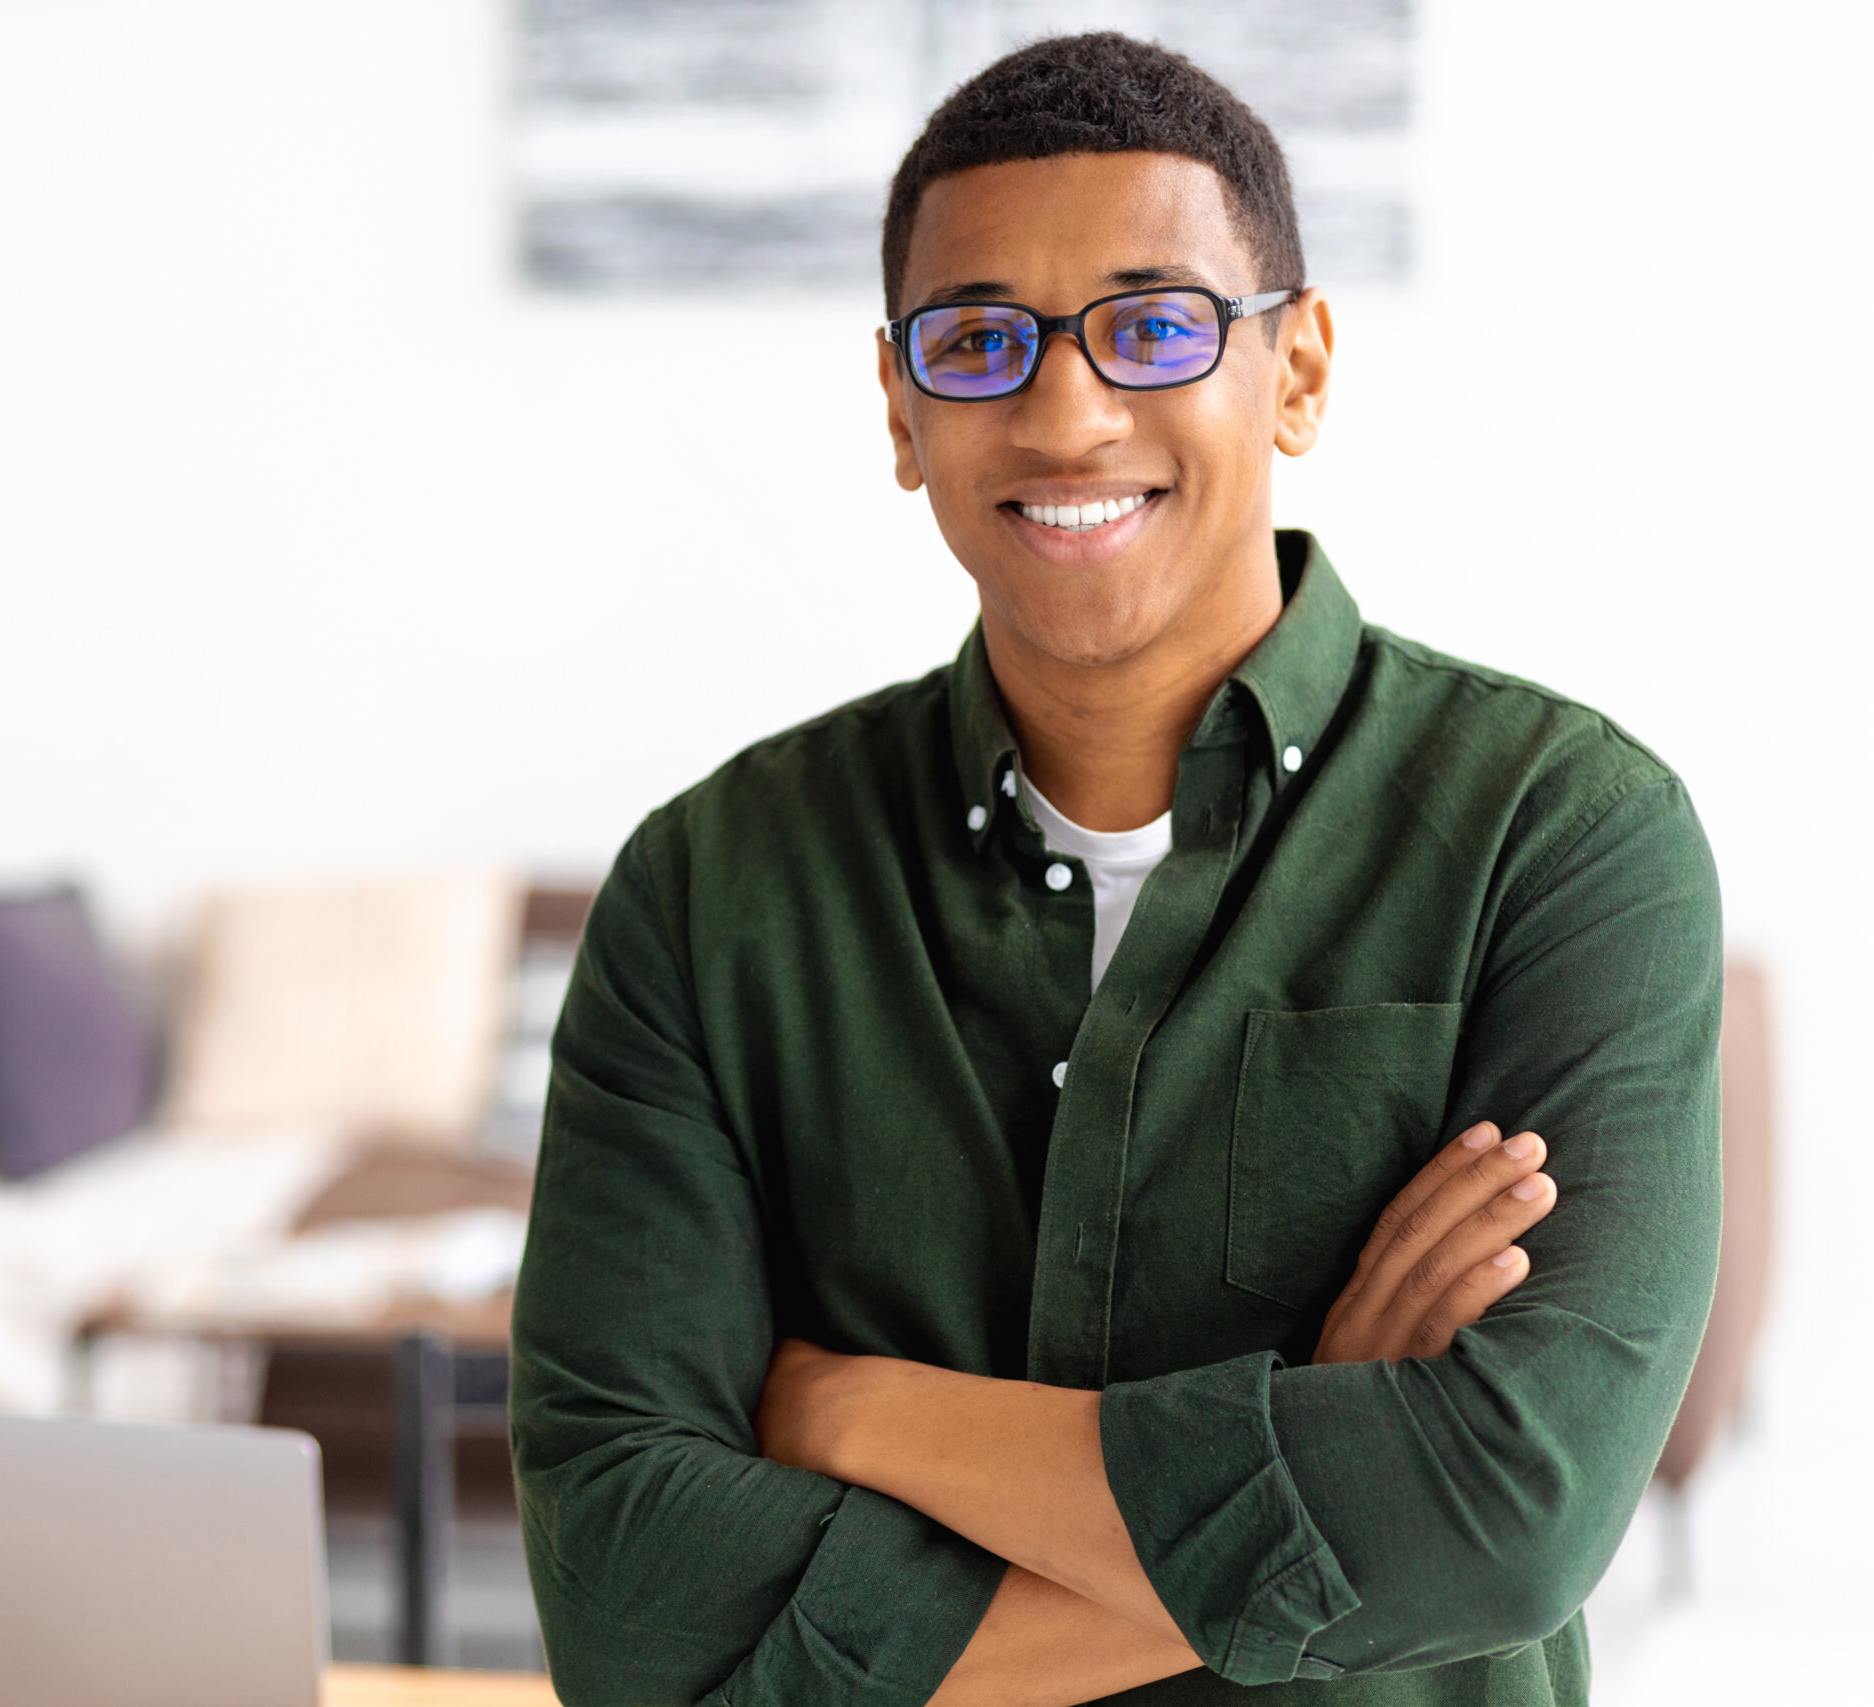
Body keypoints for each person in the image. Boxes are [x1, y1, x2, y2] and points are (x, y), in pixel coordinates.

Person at [509, 31, 1720, 1707]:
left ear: (1294, 370)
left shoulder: (1562, 833)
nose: (1066, 412)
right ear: (902, 408)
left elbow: (1506, 1518)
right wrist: (1310, 1451)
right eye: (981, 341)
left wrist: (859, 1412)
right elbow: (631, 1610)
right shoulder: (712, 891)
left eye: (1153, 326)